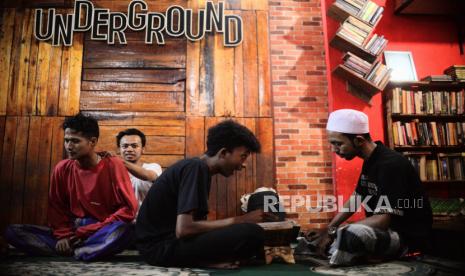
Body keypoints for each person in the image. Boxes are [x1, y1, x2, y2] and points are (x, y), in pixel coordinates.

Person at [136, 120, 276, 268]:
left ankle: (210, 261)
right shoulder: (195, 167)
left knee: (250, 235)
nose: (243, 164)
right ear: (223, 153)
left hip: (166, 245)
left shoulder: (198, 168)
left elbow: (193, 228)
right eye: (243, 156)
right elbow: (184, 230)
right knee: (252, 233)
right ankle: (206, 261)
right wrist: (241, 220)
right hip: (160, 249)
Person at [5, 113, 138, 261]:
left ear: (92, 142)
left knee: (126, 230)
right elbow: (57, 209)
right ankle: (84, 250)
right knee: (13, 231)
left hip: (101, 228)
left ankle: (78, 249)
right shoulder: (62, 168)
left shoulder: (114, 165)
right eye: (66, 140)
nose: (69, 146)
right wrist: (64, 236)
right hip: (73, 230)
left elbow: (128, 210)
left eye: (75, 141)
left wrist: (88, 231)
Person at [313, 109, 432, 266]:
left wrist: (337, 232)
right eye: (332, 144)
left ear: (359, 140)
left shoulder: (391, 165)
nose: (334, 150)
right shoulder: (371, 159)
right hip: (383, 231)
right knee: (316, 237)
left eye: (338, 144)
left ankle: (339, 254)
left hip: (406, 237)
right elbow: (357, 198)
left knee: (351, 235)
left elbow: (383, 219)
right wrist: (329, 228)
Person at [116, 128, 162, 209]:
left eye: (134, 146)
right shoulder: (113, 172)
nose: (129, 149)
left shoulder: (153, 167)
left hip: (146, 220)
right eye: (125, 146)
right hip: (121, 220)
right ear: (119, 149)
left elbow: (147, 175)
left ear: (143, 149)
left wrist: (118, 161)